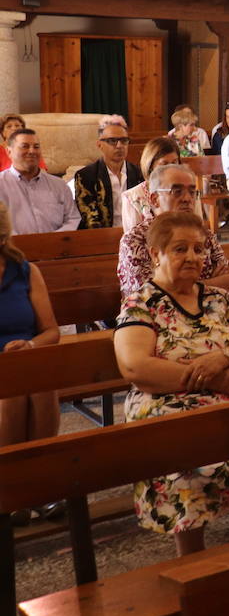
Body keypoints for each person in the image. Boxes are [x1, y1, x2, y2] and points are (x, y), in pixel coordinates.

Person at [113, 211, 229, 556]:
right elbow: (135, 367)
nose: (193, 257)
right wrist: (207, 376)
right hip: (166, 408)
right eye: (181, 249)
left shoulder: (216, 298)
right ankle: (192, 558)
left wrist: (221, 360)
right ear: (155, 254)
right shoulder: (140, 302)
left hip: (226, 400)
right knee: (187, 474)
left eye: (199, 249)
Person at [118, 163, 229, 297]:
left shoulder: (203, 234)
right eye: (177, 192)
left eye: (192, 192)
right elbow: (145, 296)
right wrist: (210, 283)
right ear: (155, 199)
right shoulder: (136, 239)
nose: (187, 199)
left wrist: (177, 286)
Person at [0, 202, 61, 466]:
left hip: (24, 357)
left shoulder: (26, 271)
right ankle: (14, 485)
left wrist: (30, 345)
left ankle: (42, 478)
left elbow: (51, 331)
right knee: (12, 389)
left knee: (42, 384)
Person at [0, 127, 79, 235]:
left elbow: (73, 219)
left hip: (57, 247)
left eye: (36, 147)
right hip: (13, 249)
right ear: (9, 151)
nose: (32, 151)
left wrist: (53, 239)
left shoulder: (59, 185)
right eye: (25, 146)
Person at [74, 115, 142, 229]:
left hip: (134, 235)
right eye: (112, 141)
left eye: (124, 140)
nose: (119, 146)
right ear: (99, 145)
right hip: (102, 237)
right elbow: (91, 220)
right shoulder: (85, 176)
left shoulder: (139, 173)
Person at [122, 137, 179, 227]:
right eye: (164, 164)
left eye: (174, 163)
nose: (171, 169)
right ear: (150, 166)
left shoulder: (188, 191)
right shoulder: (132, 197)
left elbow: (197, 227)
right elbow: (132, 238)